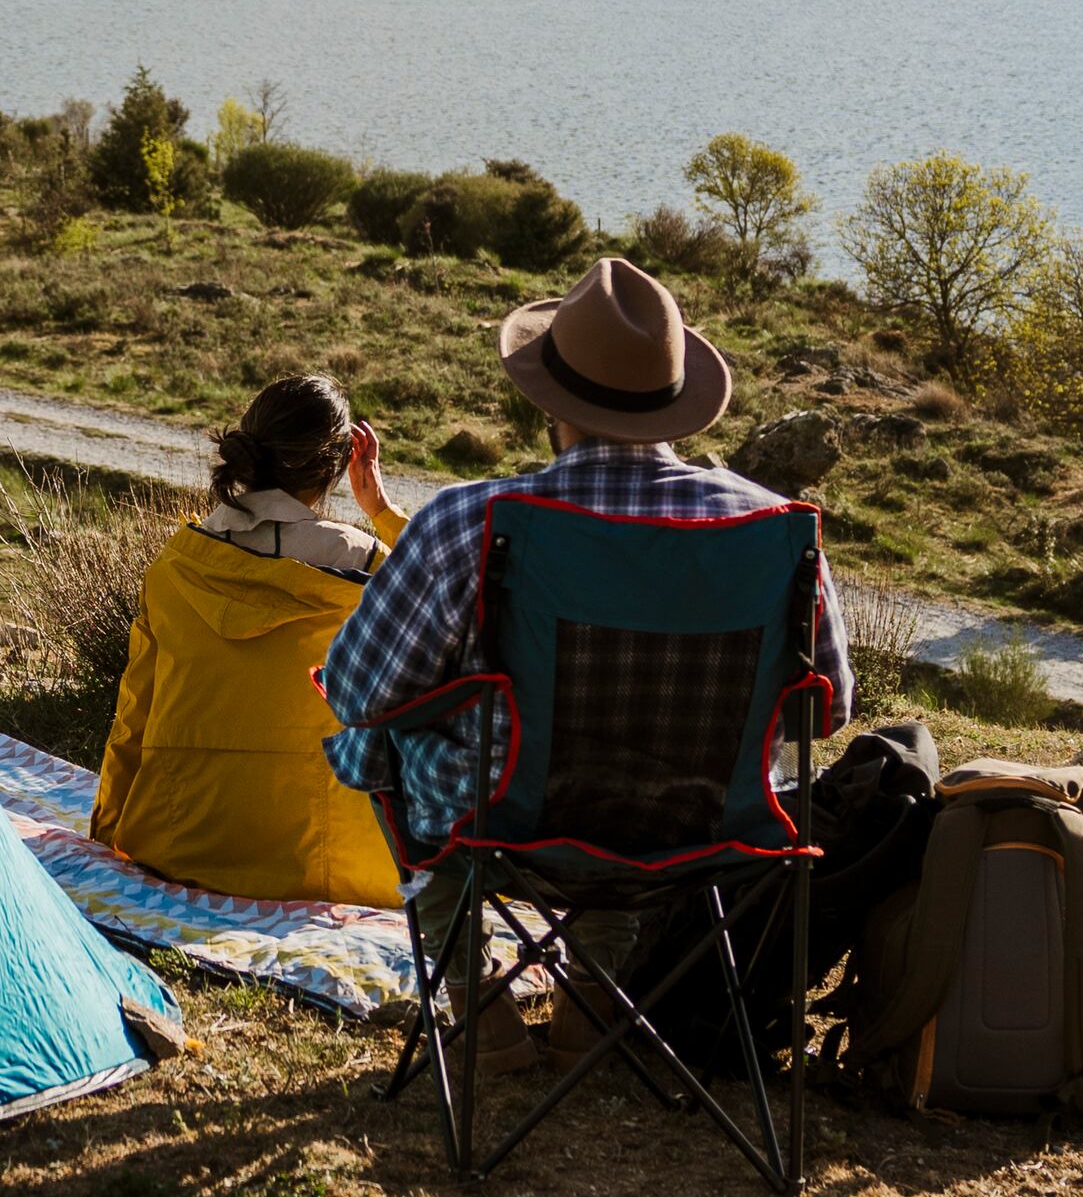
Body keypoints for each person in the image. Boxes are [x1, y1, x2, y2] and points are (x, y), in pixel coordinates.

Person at [323, 252, 849, 882]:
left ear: (551, 403)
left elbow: (356, 692)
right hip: (713, 830)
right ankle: (616, 964)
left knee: (374, 740)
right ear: (674, 402)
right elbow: (828, 711)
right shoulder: (777, 532)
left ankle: (460, 964)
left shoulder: (468, 522)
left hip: (506, 827)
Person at [88, 374, 414, 907]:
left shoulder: (174, 565)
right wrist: (380, 509)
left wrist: (107, 830)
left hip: (175, 848)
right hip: (333, 870)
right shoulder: (368, 565)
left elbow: (135, 713)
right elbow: (461, 590)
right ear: (337, 465)